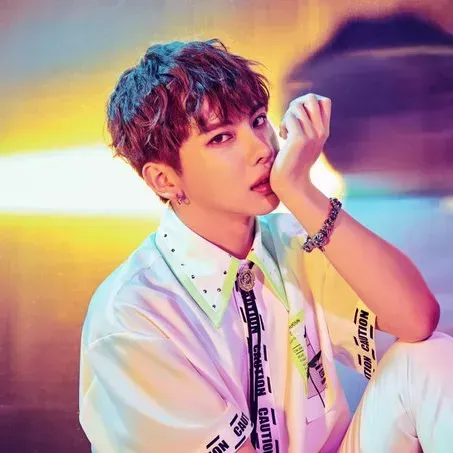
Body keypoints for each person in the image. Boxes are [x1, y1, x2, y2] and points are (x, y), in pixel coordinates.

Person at [78, 39, 453, 452]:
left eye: (258, 121)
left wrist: (299, 189)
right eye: (221, 138)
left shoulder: (292, 240)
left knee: (428, 357)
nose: (263, 149)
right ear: (164, 180)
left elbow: (417, 320)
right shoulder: (133, 314)